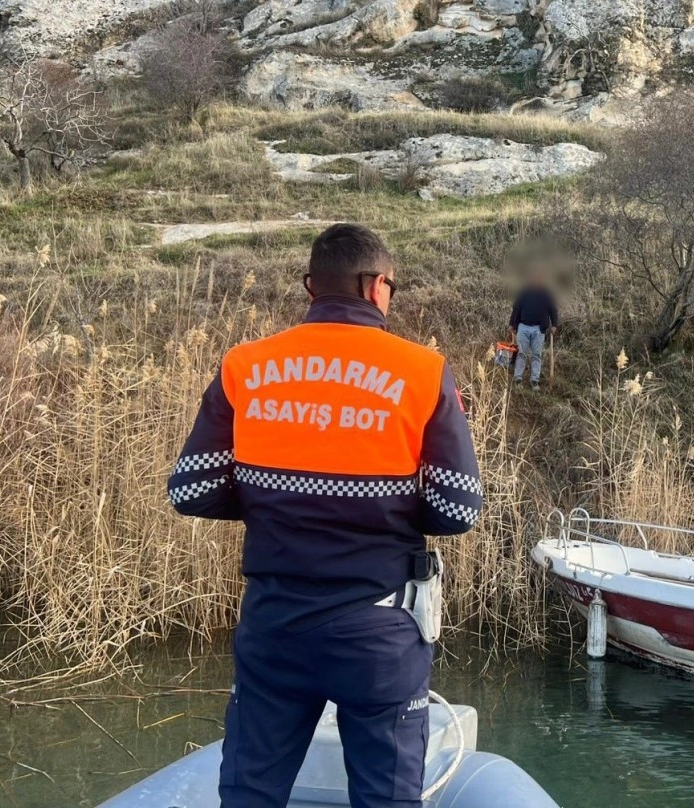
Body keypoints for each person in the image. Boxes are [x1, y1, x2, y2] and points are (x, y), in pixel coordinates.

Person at [167, 223, 483, 808]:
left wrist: (274, 499)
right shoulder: (421, 370)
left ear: (312, 286)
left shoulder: (245, 364)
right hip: (378, 629)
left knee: (250, 794)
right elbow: (456, 505)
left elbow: (192, 490)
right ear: (376, 287)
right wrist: (381, 508)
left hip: (274, 624)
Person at [507, 273, 559, 389]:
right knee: (521, 353)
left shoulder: (546, 294)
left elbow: (553, 310)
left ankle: (534, 380)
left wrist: (554, 324)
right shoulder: (524, 293)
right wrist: (512, 324)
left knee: (536, 355)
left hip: (538, 329)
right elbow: (516, 308)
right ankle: (518, 378)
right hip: (523, 327)